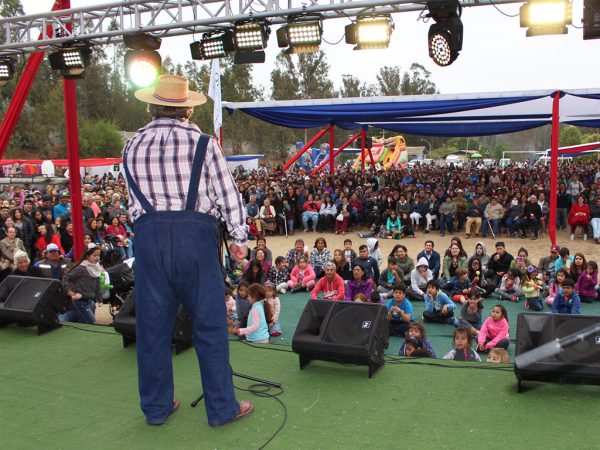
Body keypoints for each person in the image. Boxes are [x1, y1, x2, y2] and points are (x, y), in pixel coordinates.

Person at [122, 75, 251, 427]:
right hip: (195, 240)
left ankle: (157, 408)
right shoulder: (203, 143)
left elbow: (133, 205)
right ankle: (222, 409)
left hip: (148, 240)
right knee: (209, 327)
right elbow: (228, 195)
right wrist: (239, 237)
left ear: (151, 106)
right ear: (187, 108)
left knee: (152, 329)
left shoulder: (131, 146)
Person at [61, 244, 103, 325]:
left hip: (89, 300)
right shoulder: (81, 268)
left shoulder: (96, 268)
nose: (97, 258)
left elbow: (98, 284)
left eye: (98, 255)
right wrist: (71, 291)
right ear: (87, 256)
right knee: (92, 322)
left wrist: (99, 298)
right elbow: (66, 278)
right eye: (94, 255)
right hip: (80, 300)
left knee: (84, 323)